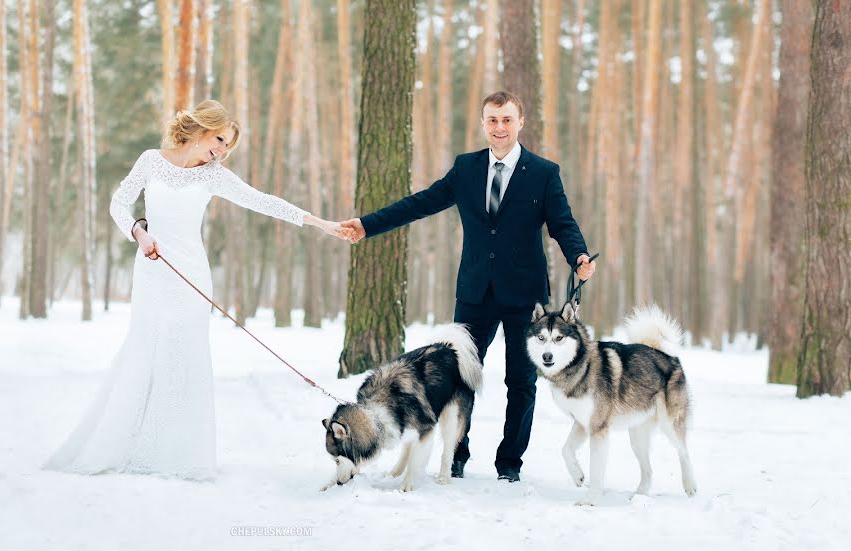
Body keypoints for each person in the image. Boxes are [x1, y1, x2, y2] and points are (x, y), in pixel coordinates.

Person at [45, 100, 346, 480]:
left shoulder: (213, 176)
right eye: (219, 139)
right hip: (151, 270)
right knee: (145, 349)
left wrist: (321, 223)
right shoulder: (151, 160)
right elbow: (118, 202)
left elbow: (263, 202)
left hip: (191, 276)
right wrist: (139, 233)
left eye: (227, 146)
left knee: (182, 356)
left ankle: (175, 452)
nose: (221, 150)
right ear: (201, 128)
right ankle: (129, 441)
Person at [341, 91, 596, 482]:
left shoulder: (544, 173)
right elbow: (421, 202)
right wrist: (367, 224)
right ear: (482, 124)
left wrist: (578, 257)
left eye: (507, 120)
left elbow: (563, 223)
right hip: (475, 292)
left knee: (521, 382)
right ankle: (457, 455)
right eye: (492, 120)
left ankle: (510, 464)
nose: (499, 128)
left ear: (520, 122)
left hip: (525, 299)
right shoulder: (466, 169)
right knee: (458, 376)